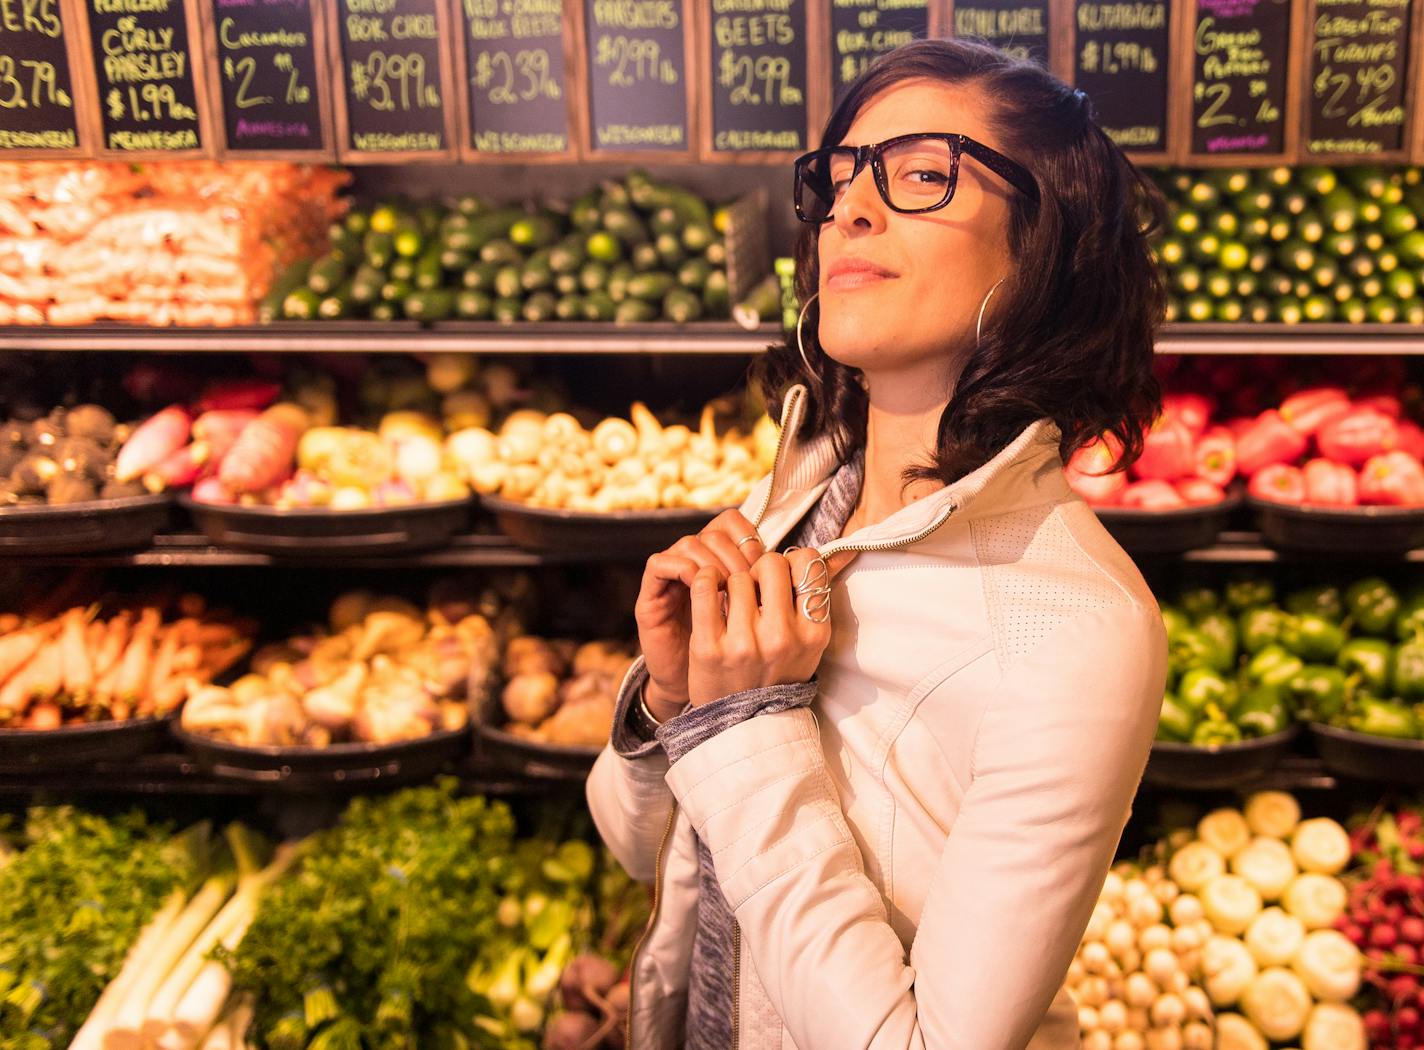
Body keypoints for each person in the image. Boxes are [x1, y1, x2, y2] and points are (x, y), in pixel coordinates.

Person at [587, 37, 1169, 1050]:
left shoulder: (1077, 627)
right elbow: (640, 847)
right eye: (842, 177)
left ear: (1043, 242)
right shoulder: (802, 490)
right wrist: (672, 704)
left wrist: (738, 732)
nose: (848, 209)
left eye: (919, 175)